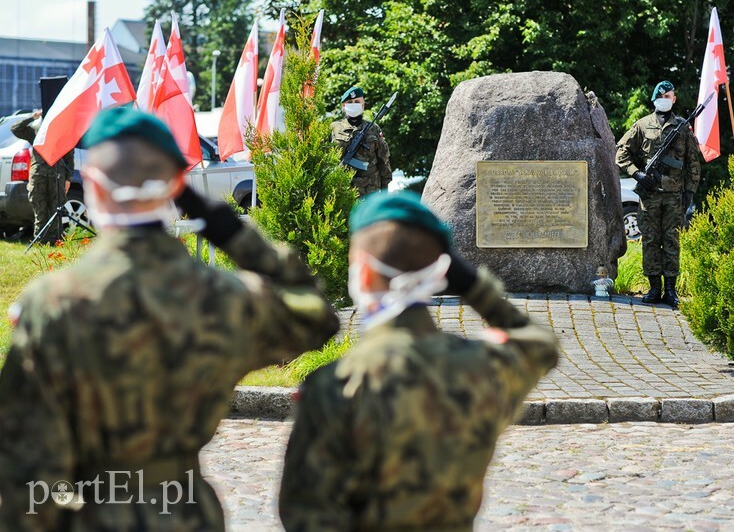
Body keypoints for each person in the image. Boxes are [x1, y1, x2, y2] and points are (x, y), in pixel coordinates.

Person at [0, 107, 339, 531]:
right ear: (175, 190)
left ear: (94, 189)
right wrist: (229, 231)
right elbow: (315, 316)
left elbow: (19, 461)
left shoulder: (49, 304)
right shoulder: (224, 297)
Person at [279, 191, 560, 531]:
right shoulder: (484, 367)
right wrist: (472, 284)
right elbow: (541, 344)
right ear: (439, 272)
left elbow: (305, 514)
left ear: (364, 273)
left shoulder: (337, 384)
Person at [616, 80, 701, 308]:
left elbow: (693, 162)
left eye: (669, 96)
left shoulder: (683, 127)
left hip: (674, 196)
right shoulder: (642, 125)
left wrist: (689, 192)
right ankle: (654, 288)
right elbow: (621, 153)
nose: (665, 99)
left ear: (674, 99)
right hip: (650, 195)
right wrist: (637, 174)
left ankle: (670, 290)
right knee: (651, 241)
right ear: (655, 99)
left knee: (671, 241)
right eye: (661, 96)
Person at [11, 110, 74, 243]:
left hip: (57, 177)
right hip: (39, 177)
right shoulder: (37, 133)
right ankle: (40, 243)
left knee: (56, 212)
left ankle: (55, 242)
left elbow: (69, 158)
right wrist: (32, 117)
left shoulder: (63, 134)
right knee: (40, 212)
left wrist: (68, 178)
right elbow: (16, 129)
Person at [330, 86, 392, 197]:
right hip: (342, 190)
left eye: (357, 101)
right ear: (343, 106)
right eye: (350, 102)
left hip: (370, 191)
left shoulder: (373, 128)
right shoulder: (334, 128)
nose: (353, 104)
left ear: (363, 105)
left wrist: (384, 191)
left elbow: (384, 161)